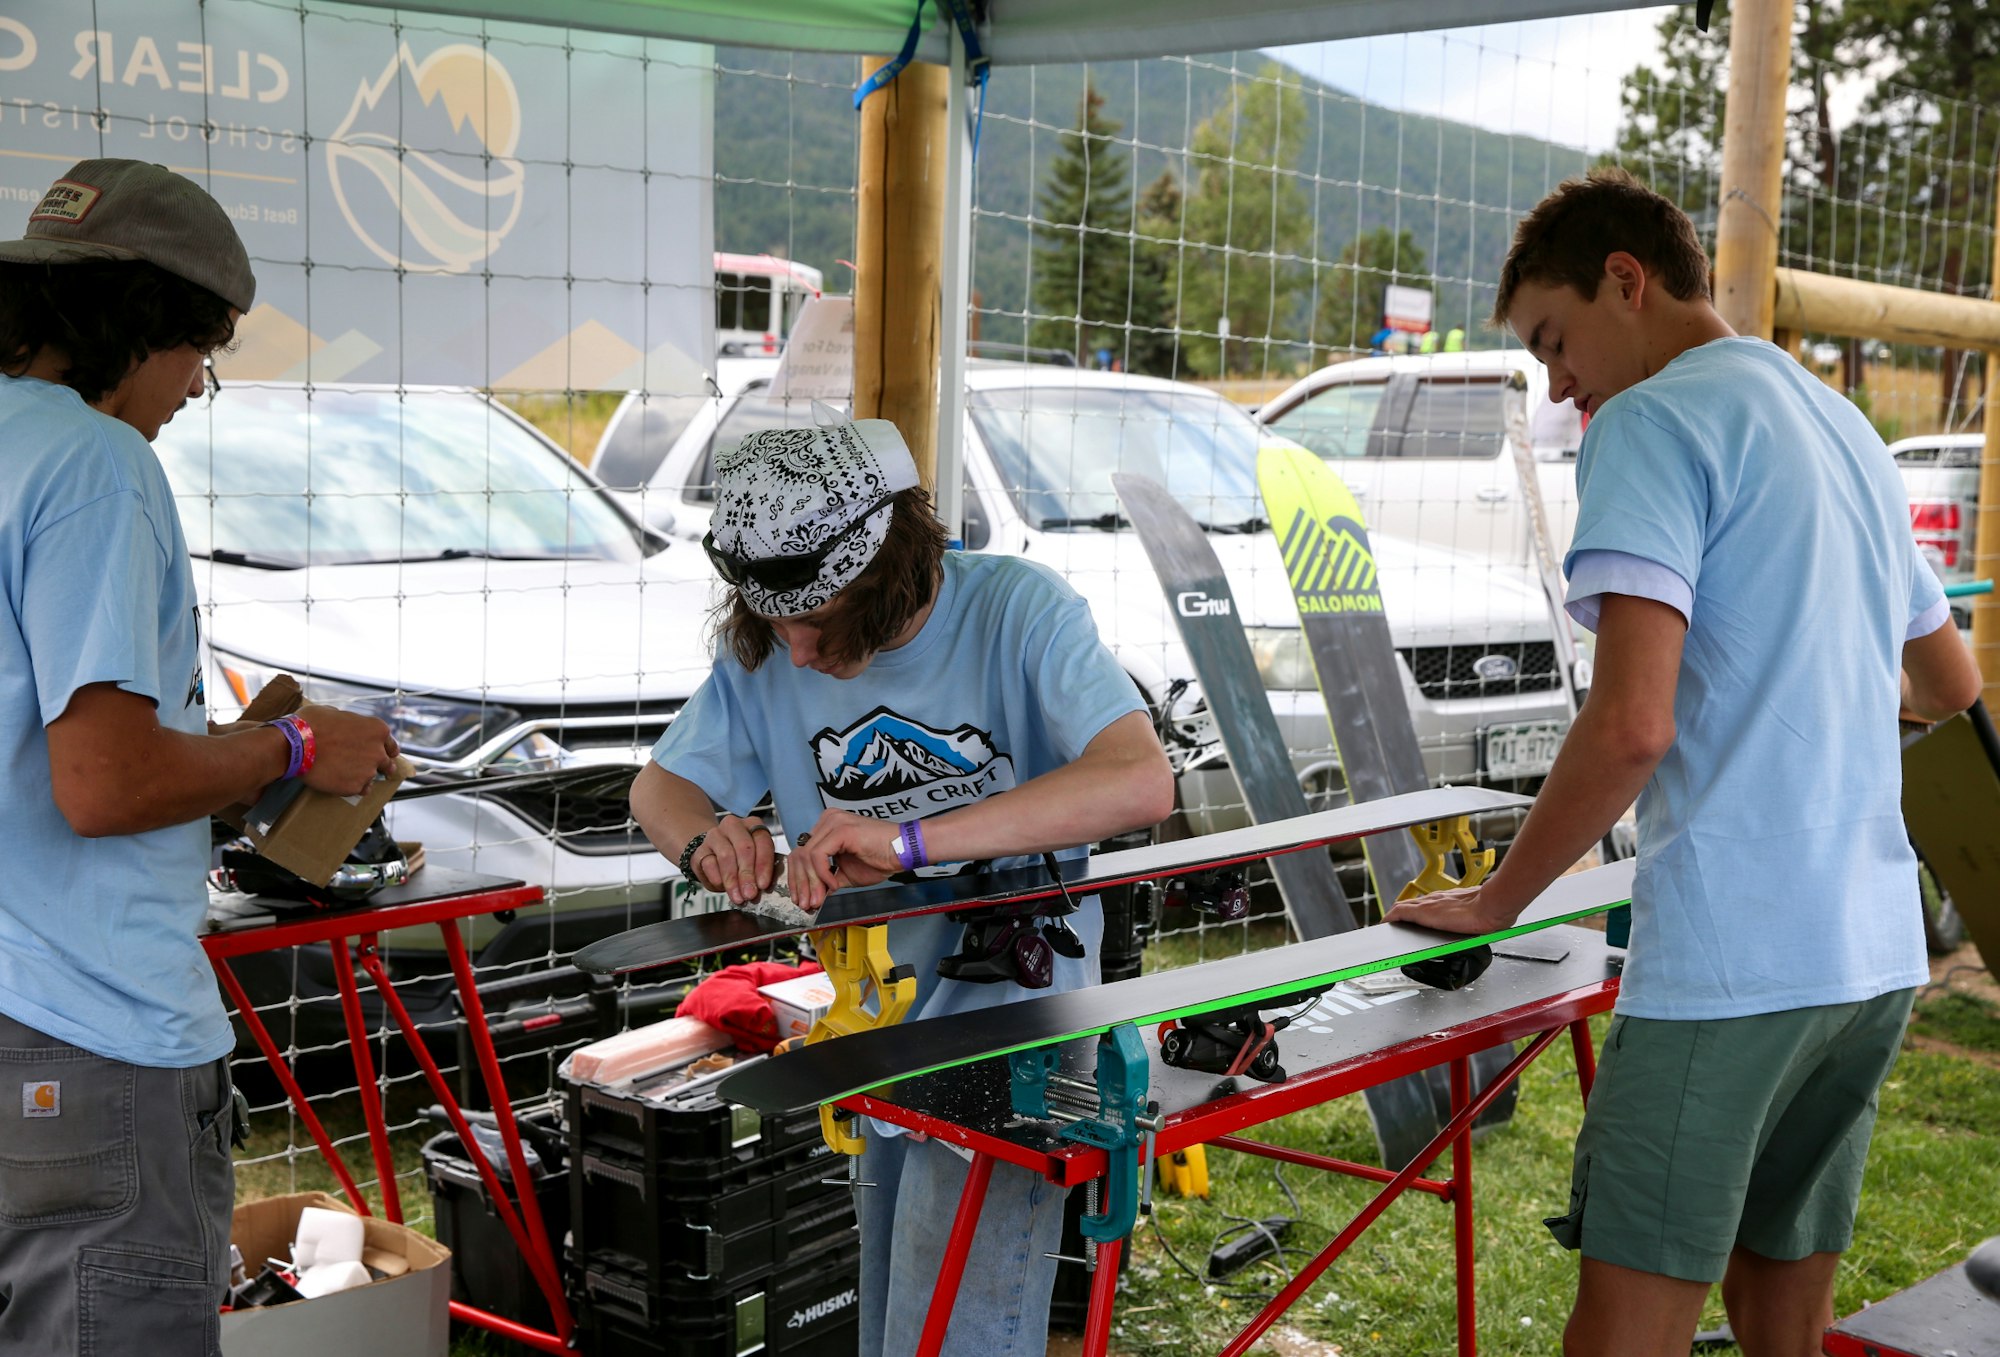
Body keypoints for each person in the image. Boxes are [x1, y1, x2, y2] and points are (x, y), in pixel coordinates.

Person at [1387, 166, 1981, 1357]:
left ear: (1625, 279)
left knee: (1622, 1333)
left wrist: (1498, 898)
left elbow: (1628, 727)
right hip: (1866, 954)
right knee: (1784, 1323)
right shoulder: (1842, 425)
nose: (1557, 387)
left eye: (1554, 343)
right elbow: (1952, 694)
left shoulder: (1651, 422)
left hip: (1730, 962)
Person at [631, 417, 1174, 1356]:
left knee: (957, 1318)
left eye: (815, 622)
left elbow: (1140, 781)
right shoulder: (771, 647)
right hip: (872, 1020)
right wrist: (706, 843)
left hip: (1020, 1020)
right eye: (774, 622)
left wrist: (913, 840)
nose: (793, 655)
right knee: (894, 1314)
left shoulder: (1018, 610)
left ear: (885, 571)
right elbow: (659, 786)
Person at [0, 160, 401, 1354]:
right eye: (201, 353)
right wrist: (291, 746)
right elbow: (108, 782)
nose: (192, 391)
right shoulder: (92, 464)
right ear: (143, 324)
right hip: (89, 1023)